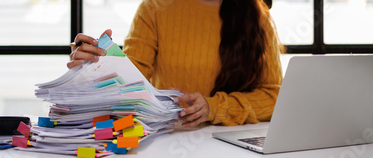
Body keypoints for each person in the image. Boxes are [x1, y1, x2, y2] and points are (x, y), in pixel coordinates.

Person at [67, 0, 277, 128]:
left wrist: (215, 107)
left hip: (236, 149)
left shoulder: (259, 17)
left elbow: (274, 97)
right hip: (169, 141)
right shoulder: (155, 7)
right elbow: (128, 83)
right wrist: (91, 67)